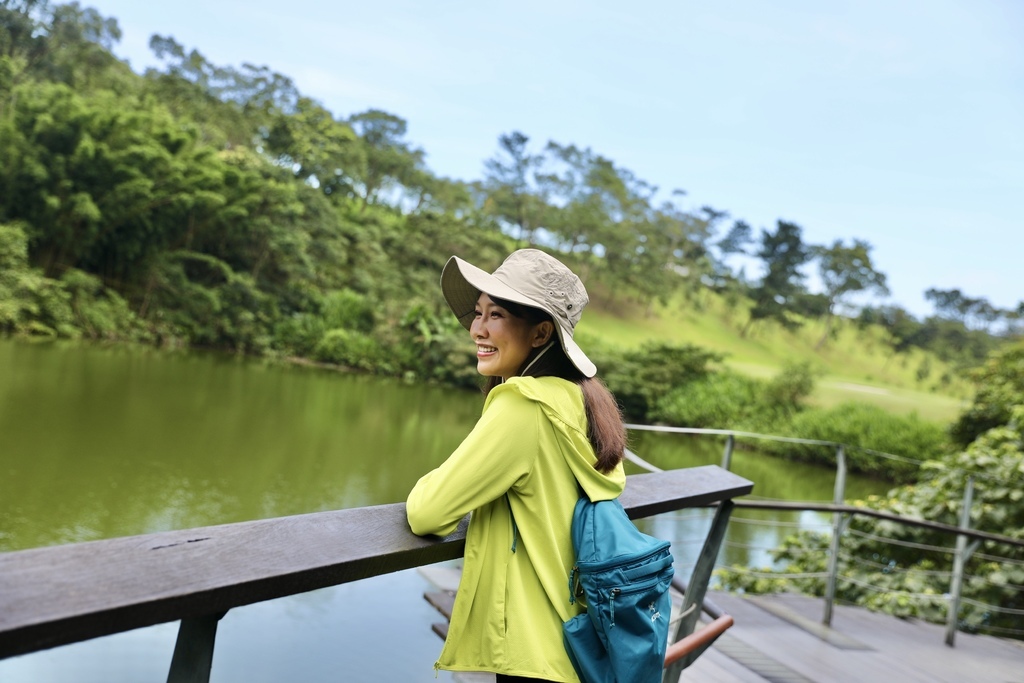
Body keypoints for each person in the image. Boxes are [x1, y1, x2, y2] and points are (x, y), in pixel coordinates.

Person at [406, 249, 628, 683]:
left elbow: (427, 512)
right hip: (579, 644)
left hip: (536, 652)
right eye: (478, 313)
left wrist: (432, 479)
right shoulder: (578, 401)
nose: (477, 328)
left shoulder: (523, 407)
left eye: (496, 315)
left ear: (541, 332)